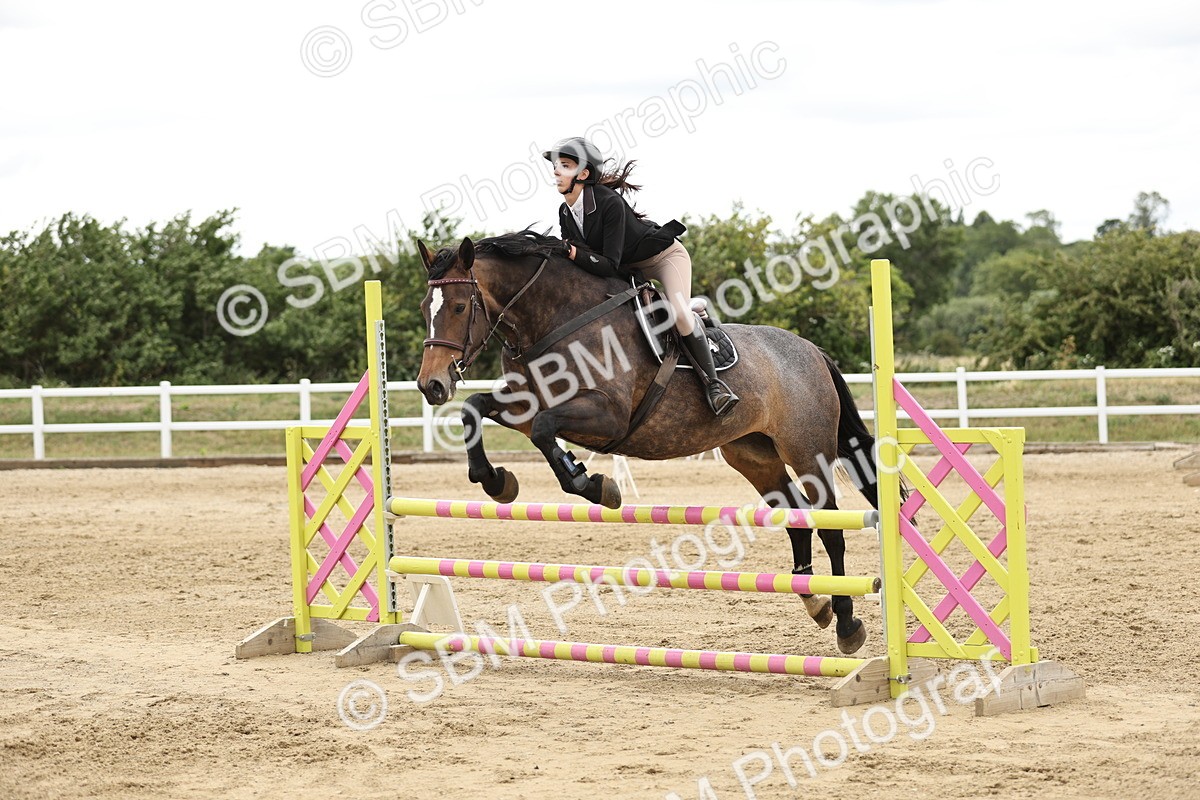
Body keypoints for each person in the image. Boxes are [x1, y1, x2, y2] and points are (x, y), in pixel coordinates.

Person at [542, 136, 738, 417]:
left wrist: (571, 252)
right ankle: (690, 306)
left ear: (583, 174)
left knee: (680, 316)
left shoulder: (608, 202)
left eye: (565, 165)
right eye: (556, 166)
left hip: (663, 259)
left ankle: (715, 386)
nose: (556, 171)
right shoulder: (565, 211)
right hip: (628, 267)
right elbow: (586, 264)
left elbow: (607, 262)